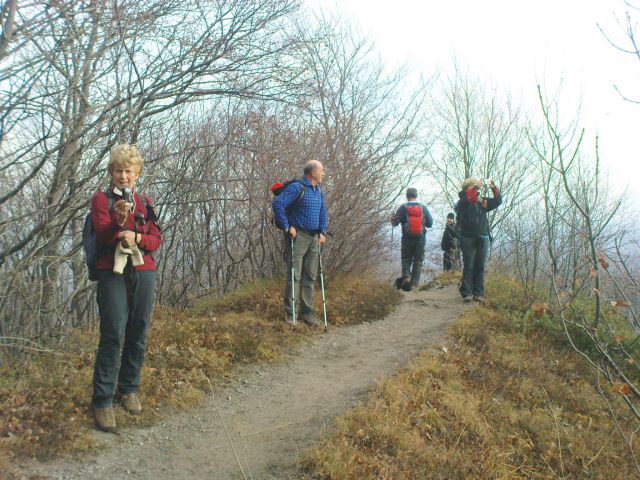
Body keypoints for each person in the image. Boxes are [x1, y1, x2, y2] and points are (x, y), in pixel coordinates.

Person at [90, 144, 161, 431]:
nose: (123, 176)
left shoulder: (144, 201)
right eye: (118, 170)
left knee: (138, 330)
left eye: (128, 171)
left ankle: (128, 389)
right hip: (112, 273)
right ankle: (103, 401)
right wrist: (118, 221)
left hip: (143, 271)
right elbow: (102, 237)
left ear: (137, 174)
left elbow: (156, 239)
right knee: (113, 333)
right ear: (111, 173)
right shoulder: (101, 200)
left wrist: (138, 239)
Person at [272, 160, 327, 326]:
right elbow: (278, 203)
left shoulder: (318, 190)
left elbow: (323, 210)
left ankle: (306, 312)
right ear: (313, 173)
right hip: (298, 237)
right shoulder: (297, 188)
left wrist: (323, 231)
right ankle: (291, 314)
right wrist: (287, 227)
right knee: (294, 275)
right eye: (321, 170)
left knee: (310, 276)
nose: (323, 173)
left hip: (314, 238)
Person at [455, 177, 502, 302]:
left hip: (483, 237)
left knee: (480, 265)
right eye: (473, 186)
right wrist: (477, 187)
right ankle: (466, 291)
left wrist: (493, 187)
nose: (476, 188)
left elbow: (498, 201)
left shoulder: (482, 201)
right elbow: (470, 198)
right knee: (469, 265)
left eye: (476, 187)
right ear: (466, 189)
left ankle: (478, 292)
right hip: (467, 237)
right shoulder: (462, 202)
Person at [391, 187, 433, 291]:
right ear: (416, 195)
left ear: (407, 196)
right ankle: (414, 285)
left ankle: (407, 279)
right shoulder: (423, 207)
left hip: (407, 238)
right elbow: (430, 223)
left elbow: (394, 223)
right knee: (418, 260)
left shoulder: (402, 208)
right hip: (420, 238)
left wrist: (393, 218)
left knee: (406, 259)